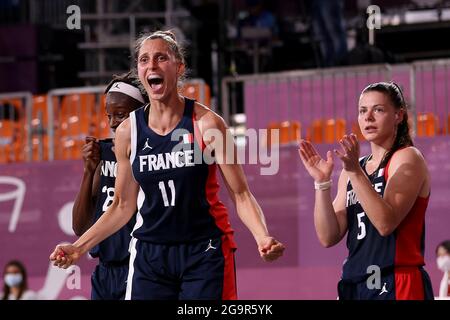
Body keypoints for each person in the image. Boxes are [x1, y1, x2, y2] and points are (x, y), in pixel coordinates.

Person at [51, 30, 284, 300]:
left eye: (161, 58)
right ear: (139, 71)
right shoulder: (129, 132)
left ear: (179, 66)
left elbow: (240, 193)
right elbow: (121, 206)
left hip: (204, 250)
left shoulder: (207, 124)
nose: (151, 65)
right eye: (144, 60)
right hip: (151, 253)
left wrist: (262, 237)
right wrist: (78, 248)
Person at [299, 81, 434, 300]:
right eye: (363, 111)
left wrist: (354, 172)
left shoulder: (408, 157)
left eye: (378, 110)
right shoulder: (354, 168)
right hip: (356, 282)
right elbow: (327, 236)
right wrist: (322, 184)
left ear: (398, 115)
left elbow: (385, 223)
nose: (368, 117)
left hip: (396, 282)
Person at [71, 71, 147, 300]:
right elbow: (80, 228)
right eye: (109, 116)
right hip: (105, 272)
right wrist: (88, 171)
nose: (113, 123)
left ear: (142, 113)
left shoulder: (153, 157)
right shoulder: (104, 156)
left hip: (140, 267)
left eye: (121, 115)